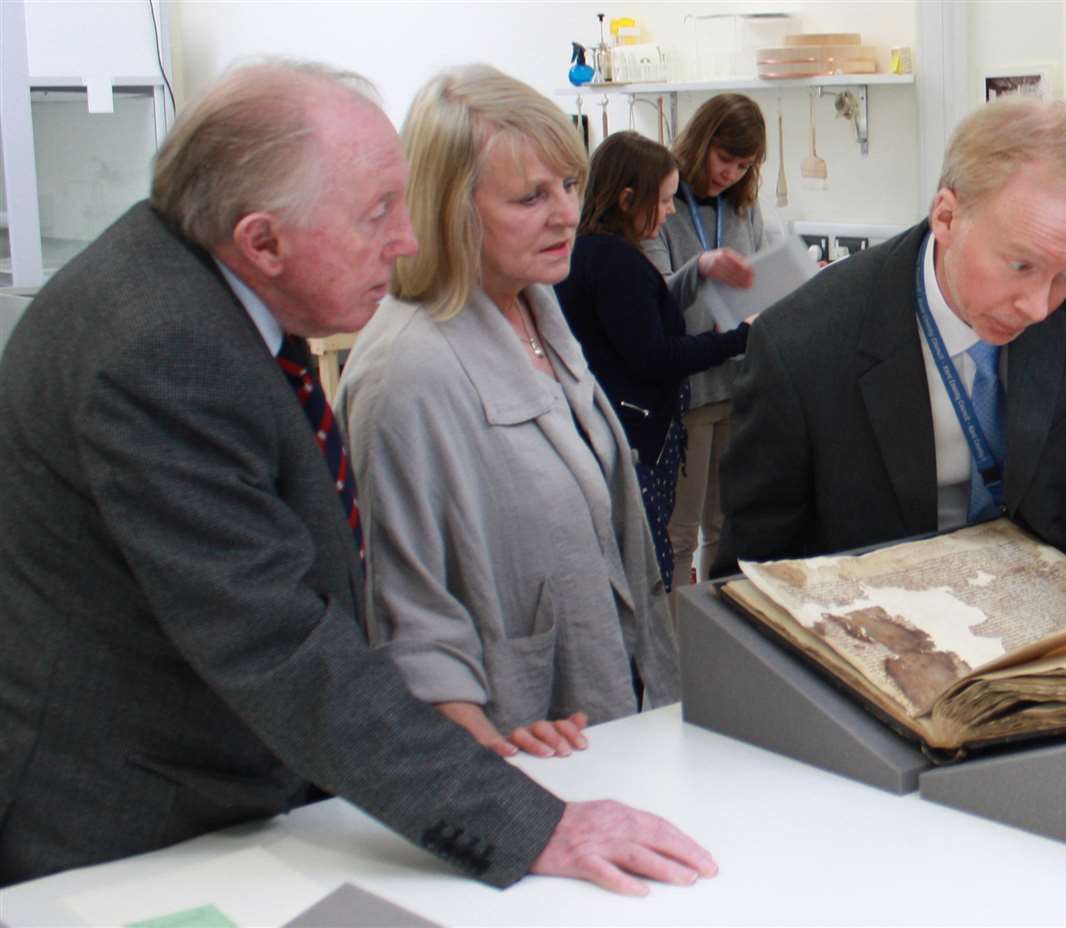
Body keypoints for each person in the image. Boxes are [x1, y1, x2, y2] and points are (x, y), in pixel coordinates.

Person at [0, 58, 715, 894]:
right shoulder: (162, 351)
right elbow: (283, 645)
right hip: (136, 827)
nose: (407, 238)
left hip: (247, 789)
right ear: (261, 239)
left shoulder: (204, 293)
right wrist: (527, 821)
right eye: (377, 213)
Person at [722, 97, 1066, 587]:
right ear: (947, 216)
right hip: (884, 639)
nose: (1038, 306)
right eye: (1020, 265)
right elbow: (753, 579)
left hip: (1052, 621)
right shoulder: (803, 346)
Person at [340, 66, 685, 766]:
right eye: (531, 196)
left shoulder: (536, 307)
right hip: (515, 760)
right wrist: (479, 754)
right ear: (449, 207)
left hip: (609, 731)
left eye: (568, 184)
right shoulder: (407, 370)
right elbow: (400, 618)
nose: (566, 214)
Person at [557, 131, 753, 588]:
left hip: (622, 425)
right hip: (636, 433)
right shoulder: (615, 263)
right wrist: (738, 338)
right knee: (655, 554)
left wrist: (700, 268)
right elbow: (653, 355)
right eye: (664, 201)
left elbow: (641, 320)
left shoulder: (591, 253)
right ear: (628, 199)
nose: (669, 212)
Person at [641, 93, 768, 587]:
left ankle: (719, 646)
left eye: (743, 165)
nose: (731, 174)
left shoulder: (744, 208)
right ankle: (677, 658)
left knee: (727, 528)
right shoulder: (663, 202)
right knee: (678, 535)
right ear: (701, 143)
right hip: (687, 392)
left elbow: (757, 276)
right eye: (724, 159)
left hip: (739, 387)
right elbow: (652, 298)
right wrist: (702, 267)